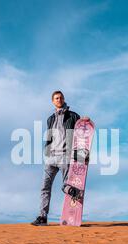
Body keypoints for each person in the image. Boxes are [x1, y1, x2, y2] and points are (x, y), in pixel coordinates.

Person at [31, 90, 81, 226]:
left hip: (65, 156)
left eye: (60, 98)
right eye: (56, 98)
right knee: (44, 188)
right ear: (53, 101)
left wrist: (85, 121)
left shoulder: (73, 116)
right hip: (51, 158)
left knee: (66, 185)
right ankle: (42, 217)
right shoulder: (50, 118)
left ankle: (72, 194)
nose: (59, 100)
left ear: (64, 99)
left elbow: (81, 131)